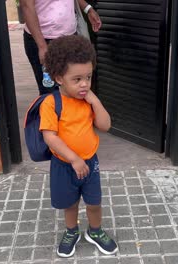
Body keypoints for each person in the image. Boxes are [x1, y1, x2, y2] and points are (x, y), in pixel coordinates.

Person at [40, 35, 118, 258]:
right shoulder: (51, 103)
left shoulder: (87, 100)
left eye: (88, 77)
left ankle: (95, 231)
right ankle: (71, 231)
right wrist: (74, 159)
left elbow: (105, 125)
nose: (85, 84)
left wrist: (95, 101)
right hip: (65, 165)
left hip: (90, 163)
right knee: (70, 203)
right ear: (59, 78)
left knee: (94, 202)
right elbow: (50, 137)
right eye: (77, 79)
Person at [20, 0, 102, 95]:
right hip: (44, 40)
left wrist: (88, 9)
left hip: (70, 37)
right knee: (50, 93)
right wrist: (42, 46)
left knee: (74, 87)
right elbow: (26, 6)